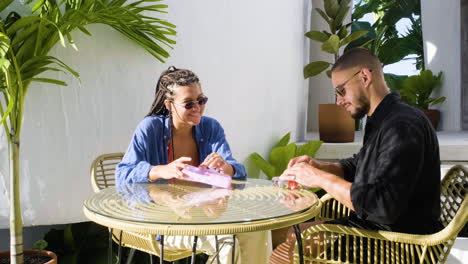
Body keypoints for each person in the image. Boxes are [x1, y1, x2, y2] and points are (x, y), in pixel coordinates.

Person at [270, 48, 442, 263]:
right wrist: (320, 166)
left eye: (341, 91)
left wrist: (320, 179)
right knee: (285, 232)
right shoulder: (383, 118)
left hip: (400, 244)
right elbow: (359, 165)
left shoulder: (401, 126)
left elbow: (381, 206)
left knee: (285, 253)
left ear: (365, 77)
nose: (338, 101)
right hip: (378, 230)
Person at [116, 66, 271, 264]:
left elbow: (238, 173)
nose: (197, 107)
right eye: (188, 104)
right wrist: (160, 170)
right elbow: (122, 175)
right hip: (165, 222)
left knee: (258, 229)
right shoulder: (150, 129)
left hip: (208, 213)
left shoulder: (211, 127)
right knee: (227, 244)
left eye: (201, 100)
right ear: (169, 104)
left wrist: (226, 168)